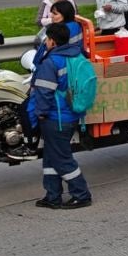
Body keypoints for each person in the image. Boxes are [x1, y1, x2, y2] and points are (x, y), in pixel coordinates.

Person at [27, 22, 93, 209]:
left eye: (47, 39)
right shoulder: (75, 55)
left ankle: (81, 194)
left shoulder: (51, 62)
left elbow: (44, 93)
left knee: (62, 158)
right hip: (71, 114)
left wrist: (39, 114)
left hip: (56, 118)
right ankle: (53, 195)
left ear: (53, 42)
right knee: (50, 156)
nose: (45, 42)